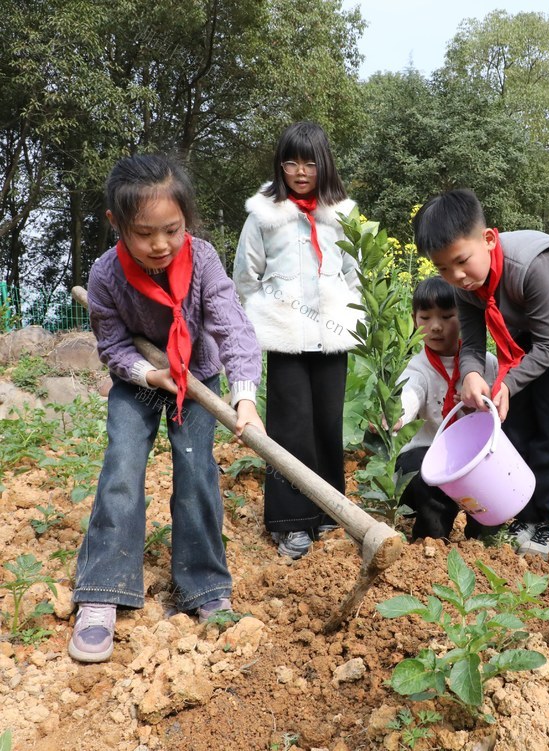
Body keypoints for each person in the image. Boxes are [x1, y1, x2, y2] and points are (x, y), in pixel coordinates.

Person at [71, 154, 264, 663]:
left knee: (197, 471)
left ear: (187, 221)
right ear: (117, 224)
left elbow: (231, 324)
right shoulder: (105, 276)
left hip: (198, 377)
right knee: (121, 467)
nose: (160, 245)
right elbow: (112, 346)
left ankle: (203, 588)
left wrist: (244, 395)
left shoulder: (201, 260)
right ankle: (101, 590)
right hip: (138, 378)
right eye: (145, 234)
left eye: (172, 231)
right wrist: (149, 374)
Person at [412, 189, 549, 558]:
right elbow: (470, 346)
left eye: (461, 261)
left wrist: (509, 382)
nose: (456, 277)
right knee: (517, 421)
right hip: (527, 329)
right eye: (442, 269)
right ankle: (528, 515)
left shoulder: (531, 265)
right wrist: (472, 374)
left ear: (488, 239)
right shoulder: (466, 285)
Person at [234, 122, 362, 560]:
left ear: (323, 163)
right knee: (290, 431)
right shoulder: (264, 217)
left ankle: (328, 511)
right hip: (285, 341)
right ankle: (291, 523)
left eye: (309, 162)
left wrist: (348, 316)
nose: (300, 171)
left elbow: (353, 274)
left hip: (331, 340)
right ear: (280, 165)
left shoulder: (341, 215)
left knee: (328, 427)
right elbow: (246, 277)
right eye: (291, 162)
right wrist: (268, 316)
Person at [396, 276, 500, 541]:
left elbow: (499, 408)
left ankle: (482, 540)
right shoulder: (417, 366)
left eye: (446, 316)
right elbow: (411, 391)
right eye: (425, 318)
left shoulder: (486, 365)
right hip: (427, 451)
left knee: (491, 489)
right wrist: (398, 412)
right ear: (413, 320)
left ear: (464, 317)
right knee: (429, 477)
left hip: (476, 457)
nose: (436, 327)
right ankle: (430, 540)